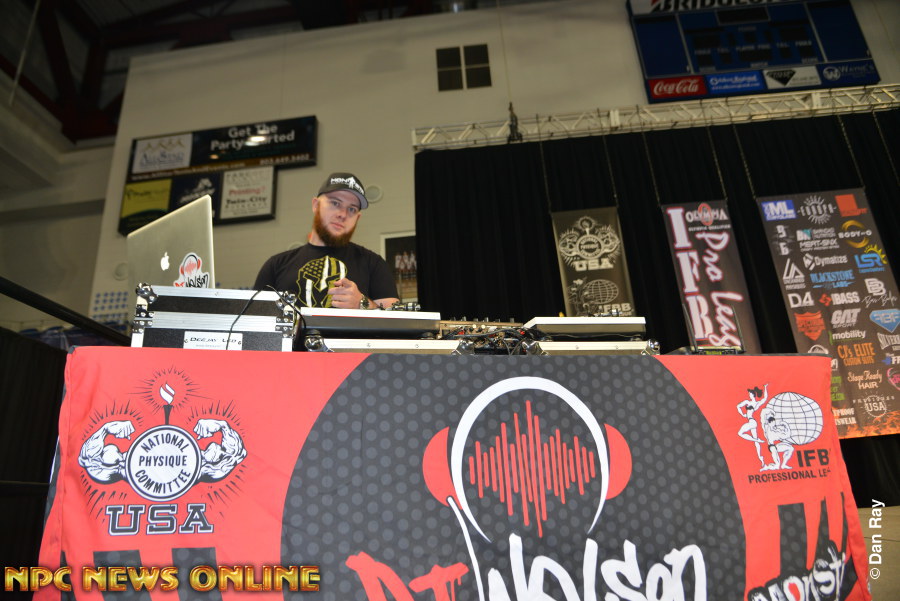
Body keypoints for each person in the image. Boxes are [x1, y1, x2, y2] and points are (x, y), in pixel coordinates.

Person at [254, 172, 399, 309]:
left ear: (358, 218)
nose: (343, 214)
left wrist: (362, 304)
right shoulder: (277, 265)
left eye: (352, 209)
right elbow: (253, 318)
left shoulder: (373, 264)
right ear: (316, 205)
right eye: (335, 203)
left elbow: (396, 317)